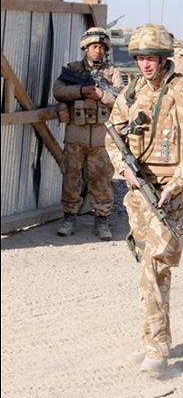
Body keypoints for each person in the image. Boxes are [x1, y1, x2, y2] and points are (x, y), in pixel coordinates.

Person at [105, 23, 183, 372]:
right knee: (146, 264)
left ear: (163, 57)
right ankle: (153, 339)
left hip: (171, 190)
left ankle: (156, 347)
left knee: (155, 263)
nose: (145, 65)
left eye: (151, 58)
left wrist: (176, 184)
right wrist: (124, 169)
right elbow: (112, 136)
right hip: (139, 188)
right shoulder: (132, 93)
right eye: (140, 58)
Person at [53, 27, 124, 240]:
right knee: (71, 177)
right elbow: (58, 91)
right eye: (94, 46)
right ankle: (69, 218)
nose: (98, 50)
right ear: (86, 47)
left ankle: (102, 220)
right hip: (76, 134)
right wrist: (81, 91)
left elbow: (121, 98)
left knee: (102, 179)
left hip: (102, 137)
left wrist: (102, 94)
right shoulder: (73, 70)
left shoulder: (112, 73)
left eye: (102, 47)